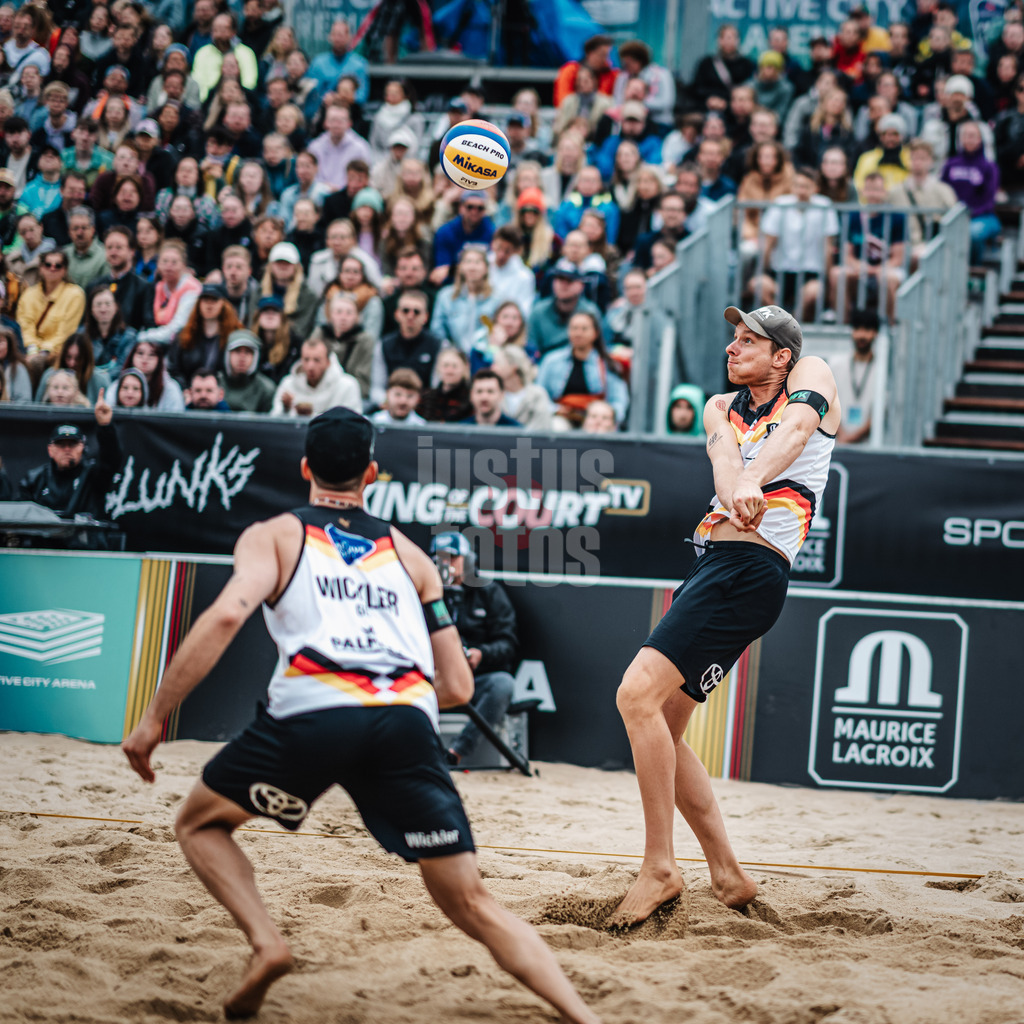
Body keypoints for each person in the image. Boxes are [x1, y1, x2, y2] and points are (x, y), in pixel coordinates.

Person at [122, 406, 600, 1022]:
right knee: (473, 903)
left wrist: (155, 718)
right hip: (404, 721)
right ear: (371, 472)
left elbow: (222, 617)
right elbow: (456, 684)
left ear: (304, 469)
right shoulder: (412, 555)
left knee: (198, 825)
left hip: (313, 712)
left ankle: (267, 943)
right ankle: (583, 1017)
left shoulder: (273, 534)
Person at [609, 303, 839, 929]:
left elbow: (792, 436)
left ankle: (659, 867)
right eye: (732, 338)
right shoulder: (720, 407)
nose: (732, 349)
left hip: (749, 571)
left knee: (636, 698)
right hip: (715, 567)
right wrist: (742, 481)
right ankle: (727, 873)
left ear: (782, 356)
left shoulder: (814, 374)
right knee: (664, 724)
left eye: (747, 341)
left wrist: (755, 482)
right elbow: (726, 466)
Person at [18, 396, 122, 519]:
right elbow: (21, 518)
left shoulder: (93, 475)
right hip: (45, 537)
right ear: (50, 450)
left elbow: (111, 460)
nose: (67, 449)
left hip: (83, 537)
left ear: (82, 447)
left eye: (72, 444)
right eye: (61, 445)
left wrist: (105, 426)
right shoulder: (34, 479)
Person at [272, 336, 361, 418]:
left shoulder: (347, 386)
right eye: (306, 359)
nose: (310, 366)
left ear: (328, 362)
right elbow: (274, 421)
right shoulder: (288, 384)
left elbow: (352, 425)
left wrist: (310, 416)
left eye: (317, 360)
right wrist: (286, 409)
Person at [829, 306, 879, 444]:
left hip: (869, 444)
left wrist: (852, 438)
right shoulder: (836, 364)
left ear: (876, 333)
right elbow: (827, 403)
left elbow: (881, 411)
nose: (862, 335)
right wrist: (841, 434)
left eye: (867, 330)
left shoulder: (881, 370)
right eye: (857, 329)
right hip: (836, 440)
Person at [223, 329, 276, 413]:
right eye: (237, 351)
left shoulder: (266, 389)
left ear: (255, 357)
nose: (242, 357)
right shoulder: (214, 383)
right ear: (227, 354)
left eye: (247, 352)